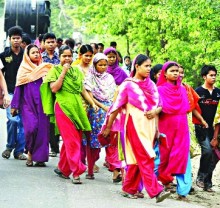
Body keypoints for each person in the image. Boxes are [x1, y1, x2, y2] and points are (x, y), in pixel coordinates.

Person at [101, 54, 171, 202]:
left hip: (149, 127)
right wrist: (108, 127)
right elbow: (116, 107)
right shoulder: (128, 85)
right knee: (146, 157)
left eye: (150, 66)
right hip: (134, 125)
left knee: (136, 158)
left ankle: (129, 188)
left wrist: (155, 112)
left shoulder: (151, 85)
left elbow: (160, 105)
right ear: (137, 66)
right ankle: (156, 191)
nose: (148, 69)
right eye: (146, 66)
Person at [40, 45, 98, 184]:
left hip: (77, 108)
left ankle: (64, 169)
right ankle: (77, 171)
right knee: (71, 141)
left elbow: (82, 89)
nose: (67, 58)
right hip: (63, 107)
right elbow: (54, 88)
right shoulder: (54, 70)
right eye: (64, 56)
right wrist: (63, 72)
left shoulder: (77, 71)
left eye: (69, 56)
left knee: (73, 140)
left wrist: (92, 104)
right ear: (59, 56)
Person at [10, 44, 52, 167]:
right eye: (33, 52)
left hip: (43, 104)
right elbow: (18, 88)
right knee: (31, 128)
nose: (36, 54)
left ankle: (40, 158)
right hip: (27, 104)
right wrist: (14, 105)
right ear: (27, 55)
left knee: (43, 130)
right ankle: (29, 152)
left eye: (37, 52)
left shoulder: (45, 68)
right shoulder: (23, 69)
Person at [156, 61, 192, 200]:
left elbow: (186, 109)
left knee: (182, 156)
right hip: (165, 126)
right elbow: (158, 110)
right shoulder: (159, 90)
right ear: (164, 73)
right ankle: (162, 182)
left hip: (181, 127)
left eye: (177, 71)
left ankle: (183, 191)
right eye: (172, 71)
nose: (176, 73)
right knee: (164, 156)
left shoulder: (182, 89)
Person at [84, 53, 116, 180]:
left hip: (109, 112)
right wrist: (102, 107)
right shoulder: (90, 77)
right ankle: (90, 169)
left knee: (110, 141)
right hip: (95, 111)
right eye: (100, 65)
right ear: (95, 65)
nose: (103, 67)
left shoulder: (109, 78)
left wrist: (111, 108)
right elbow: (89, 95)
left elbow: (114, 93)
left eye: (105, 65)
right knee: (93, 142)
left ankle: (115, 171)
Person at [0, 26, 26, 160]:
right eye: (13, 38)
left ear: (22, 40)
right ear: (9, 39)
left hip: (24, 93)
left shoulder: (26, 55)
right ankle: (10, 146)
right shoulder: (4, 55)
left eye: (18, 38)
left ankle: (19, 151)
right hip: (9, 92)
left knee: (23, 122)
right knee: (12, 120)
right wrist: (2, 94)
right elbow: (0, 75)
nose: (16, 41)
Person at [194, 65, 220, 192]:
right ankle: (200, 176)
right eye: (211, 75)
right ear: (204, 76)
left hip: (214, 129)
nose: (213, 77)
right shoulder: (198, 91)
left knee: (214, 156)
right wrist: (202, 121)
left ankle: (208, 182)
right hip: (201, 127)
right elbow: (192, 108)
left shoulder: (218, 93)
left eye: (215, 75)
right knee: (208, 151)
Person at [41, 32, 60, 157]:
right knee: (45, 118)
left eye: (52, 41)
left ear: (56, 42)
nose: (50, 44)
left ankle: (54, 147)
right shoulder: (40, 57)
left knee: (56, 118)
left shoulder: (61, 57)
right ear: (43, 43)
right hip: (43, 91)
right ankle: (43, 147)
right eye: (48, 42)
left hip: (58, 90)